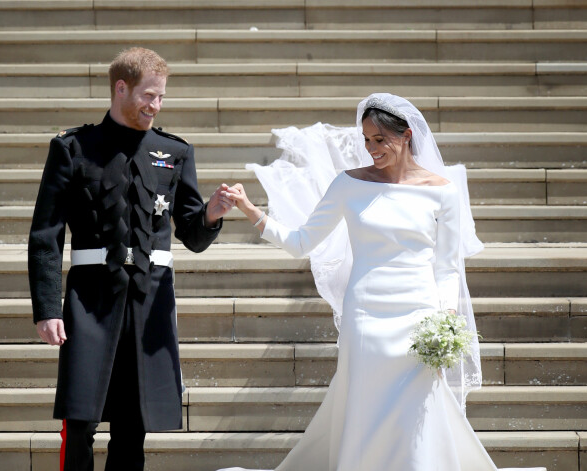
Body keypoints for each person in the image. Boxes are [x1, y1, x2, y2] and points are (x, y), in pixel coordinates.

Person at [218, 94, 545, 470]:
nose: (372, 149)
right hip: (366, 315)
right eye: (367, 140)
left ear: (406, 136)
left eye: (380, 140)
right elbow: (301, 242)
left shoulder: (443, 190)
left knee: (417, 409)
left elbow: (447, 268)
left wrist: (446, 321)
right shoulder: (348, 185)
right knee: (366, 402)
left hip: (420, 316)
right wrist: (250, 210)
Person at [28, 47, 234, 471]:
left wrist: (211, 214)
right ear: (120, 88)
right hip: (90, 301)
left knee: (132, 424)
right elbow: (45, 236)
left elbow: (192, 235)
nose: (155, 106)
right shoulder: (73, 148)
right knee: (80, 421)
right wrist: (48, 309)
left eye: (161, 97)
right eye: (148, 96)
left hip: (149, 303)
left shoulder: (174, 152)